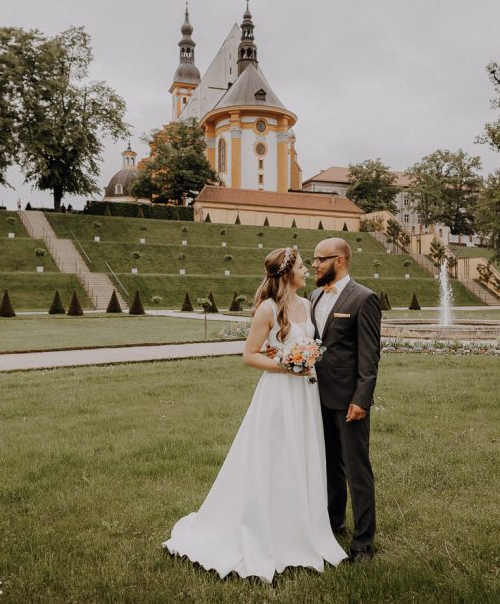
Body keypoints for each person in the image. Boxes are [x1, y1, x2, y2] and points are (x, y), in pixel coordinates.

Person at [163, 247, 346, 582]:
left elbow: (311, 344)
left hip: (305, 394)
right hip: (279, 392)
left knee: (303, 453)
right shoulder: (267, 309)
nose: (308, 270)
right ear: (287, 273)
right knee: (274, 455)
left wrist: (307, 359)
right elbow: (249, 355)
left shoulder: (307, 305)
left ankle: (302, 524)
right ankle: (266, 526)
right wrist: (287, 365)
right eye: (302, 266)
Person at [309, 237, 381, 563]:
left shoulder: (364, 298)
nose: (314, 265)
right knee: (329, 468)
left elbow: (369, 356)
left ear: (339, 261)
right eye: (313, 260)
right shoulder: (313, 296)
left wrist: (361, 400)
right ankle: (333, 525)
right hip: (315, 397)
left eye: (320, 259)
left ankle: (363, 542)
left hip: (349, 401)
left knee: (357, 471)